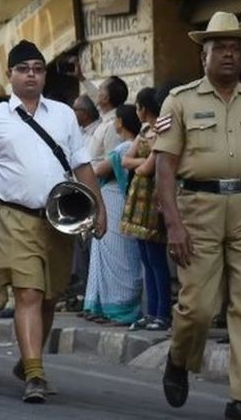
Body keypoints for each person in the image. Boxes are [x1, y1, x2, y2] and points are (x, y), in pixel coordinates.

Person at [0, 39, 106, 404]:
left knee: (50, 297)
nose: (31, 75)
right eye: (24, 69)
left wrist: (99, 208)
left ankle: (29, 360)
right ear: (9, 76)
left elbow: (82, 163)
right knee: (28, 293)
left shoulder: (63, 114)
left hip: (59, 220)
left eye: (38, 69)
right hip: (13, 217)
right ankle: (36, 374)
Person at [155, 11, 241, 420]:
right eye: (218, 48)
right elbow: (165, 167)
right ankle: (179, 358)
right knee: (198, 308)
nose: (228, 55)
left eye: (235, 49)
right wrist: (173, 224)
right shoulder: (181, 101)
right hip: (197, 211)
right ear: (202, 56)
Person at [83, 104, 143, 324]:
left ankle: (120, 308)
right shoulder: (132, 145)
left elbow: (98, 170)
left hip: (115, 205)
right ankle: (109, 306)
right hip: (115, 204)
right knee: (117, 256)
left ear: (121, 122)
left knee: (118, 256)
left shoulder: (124, 148)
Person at [121, 87, 171, 332]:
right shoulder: (144, 132)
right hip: (140, 199)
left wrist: (140, 164)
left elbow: (145, 168)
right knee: (146, 259)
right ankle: (151, 312)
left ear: (144, 109)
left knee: (156, 260)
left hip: (153, 199)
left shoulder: (159, 133)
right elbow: (125, 160)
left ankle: (162, 313)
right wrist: (142, 163)